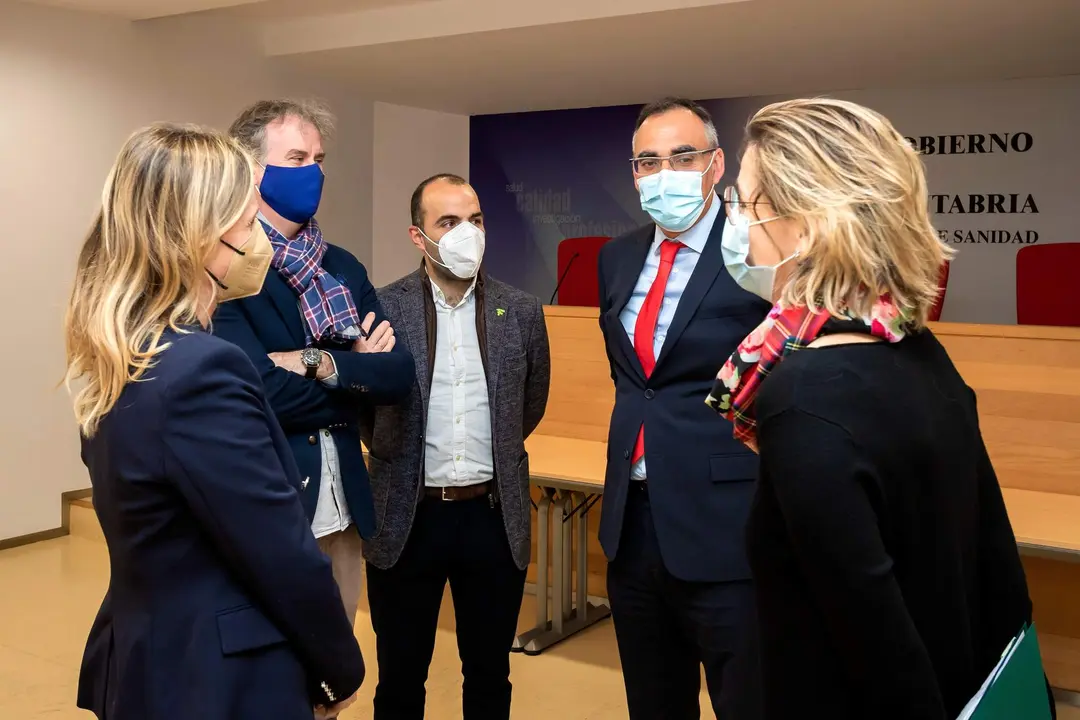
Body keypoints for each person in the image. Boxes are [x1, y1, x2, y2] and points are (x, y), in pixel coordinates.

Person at [706, 98, 1050, 719]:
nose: (735, 223)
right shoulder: (918, 349)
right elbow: (993, 570)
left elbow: (873, 638)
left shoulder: (804, 395)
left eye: (744, 201)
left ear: (807, 225)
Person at [63, 124, 364, 720]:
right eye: (249, 222)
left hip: (154, 654)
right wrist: (339, 668)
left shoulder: (125, 353)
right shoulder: (202, 369)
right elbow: (277, 551)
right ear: (201, 236)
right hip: (218, 677)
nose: (258, 239)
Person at [596, 97, 771, 719]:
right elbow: (636, 382)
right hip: (634, 525)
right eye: (647, 160)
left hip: (725, 523)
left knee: (747, 703)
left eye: (682, 155)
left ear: (716, 164)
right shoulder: (616, 258)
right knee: (654, 703)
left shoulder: (757, 250)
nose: (662, 171)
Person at [213, 99, 415, 626]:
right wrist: (352, 372)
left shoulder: (342, 265)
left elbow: (397, 375)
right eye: (298, 159)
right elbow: (259, 391)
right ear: (251, 170)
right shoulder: (226, 266)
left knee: (335, 677)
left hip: (344, 508)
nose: (315, 173)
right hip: (271, 506)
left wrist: (314, 363)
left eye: (319, 159)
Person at [360, 174, 551, 720]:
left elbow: (528, 404)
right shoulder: (381, 308)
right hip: (408, 515)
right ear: (419, 237)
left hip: (492, 517)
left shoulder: (520, 310)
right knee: (400, 676)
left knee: (490, 674)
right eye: (449, 222)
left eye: (476, 219)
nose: (467, 233)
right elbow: (365, 410)